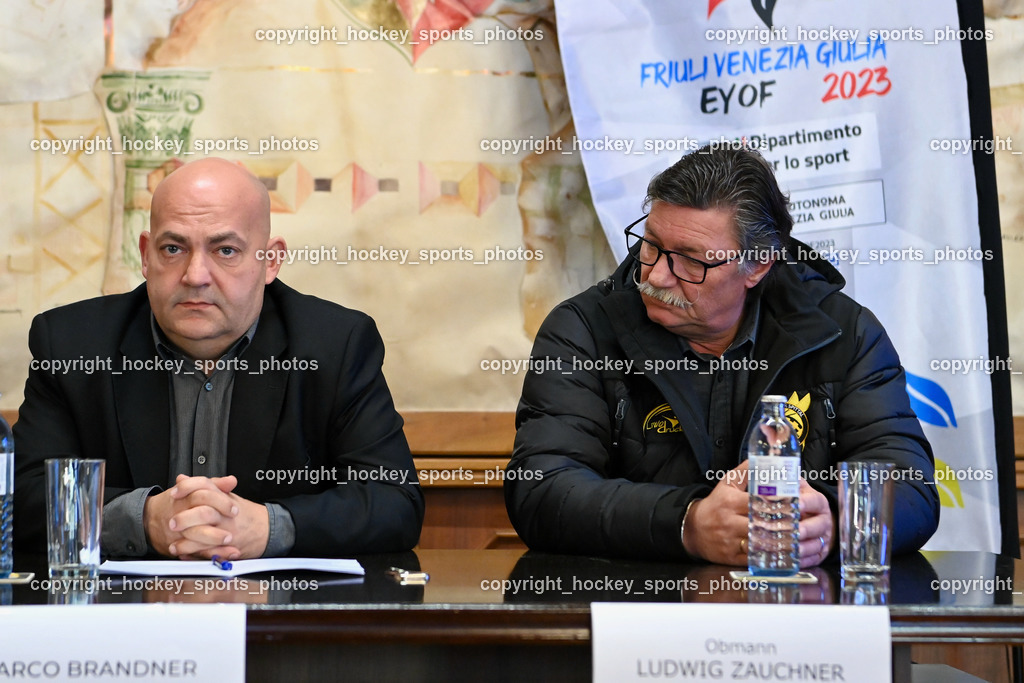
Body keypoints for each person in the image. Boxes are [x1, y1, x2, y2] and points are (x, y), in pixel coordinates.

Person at [504, 145, 938, 565]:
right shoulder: (582, 331)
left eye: (692, 261)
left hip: (801, 613)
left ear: (759, 264)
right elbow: (541, 490)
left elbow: (911, 488)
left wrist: (833, 521)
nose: (655, 275)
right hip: (638, 615)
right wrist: (687, 523)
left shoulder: (845, 334)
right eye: (651, 245)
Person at [13, 157, 423, 560]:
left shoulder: (335, 345)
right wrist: (144, 520)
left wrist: (266, 527)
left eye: (225, 250)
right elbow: (22, 501)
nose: (195, 275)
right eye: (173, 248)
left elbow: (394, 501)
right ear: (145, 254)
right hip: (123, 616)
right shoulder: (71, 346)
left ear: (270, 260)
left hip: (278, 615)